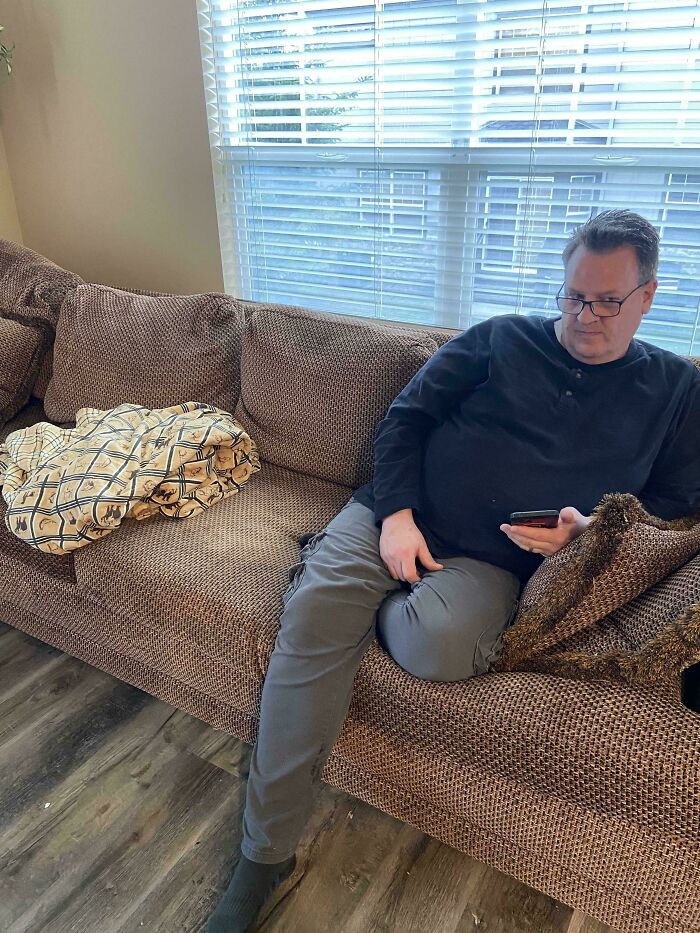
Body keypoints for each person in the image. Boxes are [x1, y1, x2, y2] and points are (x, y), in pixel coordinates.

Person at [206, 210, 700, 931]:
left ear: (647, 297)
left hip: (493, 559)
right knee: (314, 622)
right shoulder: (500, 337)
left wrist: (590, 532)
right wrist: (397, 513)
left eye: (606, 301)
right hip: (394, 512)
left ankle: (330, 580)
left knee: (437, 647)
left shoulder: (676, 390)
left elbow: (676, 508)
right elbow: (406, 418)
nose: (585, 316)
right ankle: (263, 855)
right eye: (572, 296)